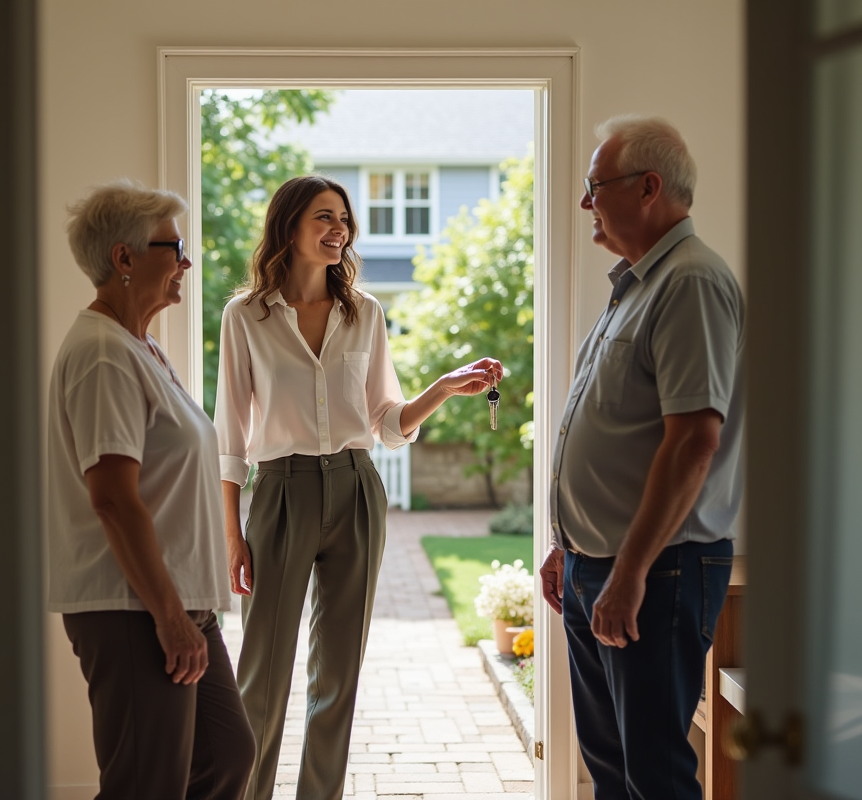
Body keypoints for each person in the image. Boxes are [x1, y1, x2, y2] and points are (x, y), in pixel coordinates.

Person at [214, 175, 503, 800]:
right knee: (262, 674)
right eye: (323, 217)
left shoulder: (364, 313)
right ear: (288, 227)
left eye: (344, 219)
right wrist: (232, 533)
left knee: (338, 675)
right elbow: (230, 435)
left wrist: (444, 387)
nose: (338, 229)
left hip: (355, 489)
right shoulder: (246, 316)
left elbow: (387, 422)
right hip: (281, 493)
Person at [539, 116, 744, 800]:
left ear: (649, 187)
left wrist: (628, 574)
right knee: (613, 769)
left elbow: (693, 443)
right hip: (600, 567)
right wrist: (570, 547)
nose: (585, 202)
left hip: (657, 570)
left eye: (596, 186)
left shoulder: (690, 283)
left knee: (654, 773)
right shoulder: (635, 285)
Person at [47, 179, 255, 799]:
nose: (187, 261)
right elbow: (112, 496)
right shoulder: (103, 355)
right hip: (134, 607)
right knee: (146, 783)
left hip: (178, 601)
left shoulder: (142, 349)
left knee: (224, 757)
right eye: (176, 246)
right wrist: (169, 615)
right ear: (124, 258)